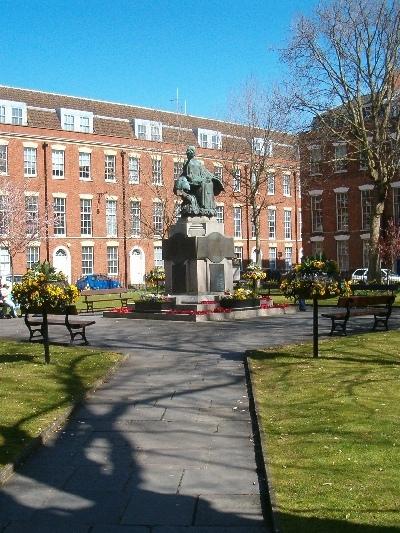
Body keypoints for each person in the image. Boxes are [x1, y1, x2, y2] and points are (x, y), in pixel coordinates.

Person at [174, 146, 224, 217]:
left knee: (209, 183)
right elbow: (189, 176)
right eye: (188, 151)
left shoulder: (199, 163)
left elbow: (205, 172)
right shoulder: (188, 163)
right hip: (192, 183)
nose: (189, 153)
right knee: (204, 184)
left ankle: (208, 207)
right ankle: (203, 206)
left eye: (191, 151)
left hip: (198, 180)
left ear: (194, 153)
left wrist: (213, 178)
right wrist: (200, 180)